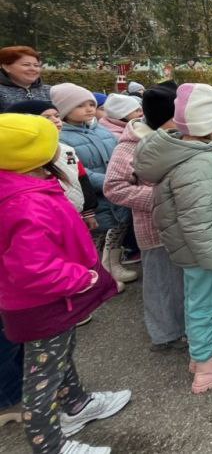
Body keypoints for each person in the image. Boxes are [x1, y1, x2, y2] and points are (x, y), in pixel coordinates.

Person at [0, 113, 130, 454]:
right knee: (42, 379)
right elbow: (33, 269)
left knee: (59, 358)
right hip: (43, 301)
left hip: (52, 300)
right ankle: (50, 446)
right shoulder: (24, 202)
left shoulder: (23, 186)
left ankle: (76, 404)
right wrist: (82, 278)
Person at [134, 83, 212, 394]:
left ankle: (204, 349)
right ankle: (207, 366)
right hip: (205, 251)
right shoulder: (198, 162)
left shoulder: (185, 150)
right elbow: (195, 218)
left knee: (197, 300)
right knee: (204, 303)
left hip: (194, 248)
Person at [104, 83, 187, 352]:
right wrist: (160, 199)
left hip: (183, 225)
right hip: (155, 228)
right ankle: (165, 335)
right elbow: (114, 187)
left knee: (182, 283)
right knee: (162, 283)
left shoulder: (175, 135)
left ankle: (185, 328)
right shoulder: (133, 144)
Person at [51, 83, 136, 286]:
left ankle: (113, 265)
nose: (89, 109)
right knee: (96, 237)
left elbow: (121, 156)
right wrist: (109, 181)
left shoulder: (103, 131)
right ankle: (99, 275)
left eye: (91, 103)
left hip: (117, 194)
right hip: (94, 196)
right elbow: (75, 170)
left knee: (117, 232)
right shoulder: (60, 137)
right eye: (80, 105)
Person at [6, 100, 98, 229]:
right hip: (44, 220)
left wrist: (88, 211)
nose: (55, 120)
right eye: (47, 117)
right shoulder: (23, 157)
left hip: (74, 214)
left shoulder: (67, 150)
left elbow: (81, 179)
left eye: (57, 116)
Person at [0, 46, 50, 111]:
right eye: (26, 65)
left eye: (36, 65)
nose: (33, 69)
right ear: (6, 67)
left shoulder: (50, 91)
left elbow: (63, 119)